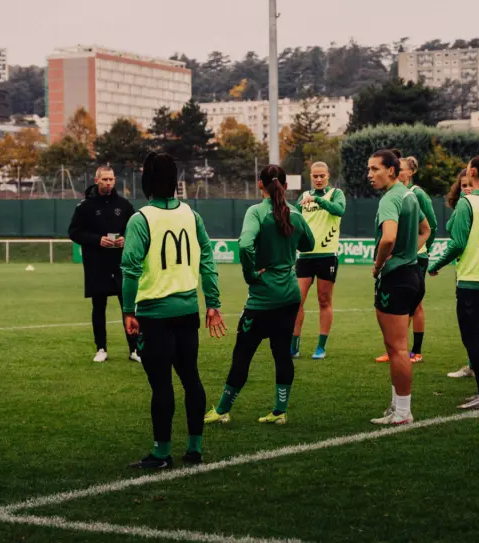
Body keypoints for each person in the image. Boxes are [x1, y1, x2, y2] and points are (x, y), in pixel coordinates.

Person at [121, 152, 226, 469]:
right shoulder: (192, 216)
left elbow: (130, 270)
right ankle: (194, 449)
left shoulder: (141, 219)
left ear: (148, 180)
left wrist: (128, 311)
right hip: (187, 312)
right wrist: (213, 303)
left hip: (154, 315)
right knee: (191, 378)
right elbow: (207, 260)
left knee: (162, 386)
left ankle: (161, 453)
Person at [206, 165, 314, 425]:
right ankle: (279, 412)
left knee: (243, 354)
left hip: (262, 298)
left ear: (260, 185)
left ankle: (222, 410)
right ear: (285, 186)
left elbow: (244, 245)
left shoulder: (256, 212)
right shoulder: (295, 214)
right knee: (282, 354)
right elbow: (309, 244)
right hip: (289, 296)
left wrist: (251, 274)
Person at [429, 156, 479, 410]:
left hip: (471, 281)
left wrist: (435, 264)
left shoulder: (468, 203)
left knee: (473, 338)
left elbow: (457, 242)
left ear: (472, 172)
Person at [367, 149, 431, 425]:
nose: (370, 175)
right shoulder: (409, 195)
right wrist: (410, 254)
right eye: (369, 169)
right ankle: (397, 407)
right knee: (396, 348)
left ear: (391, 170)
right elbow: (426, 229)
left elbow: (388, 238)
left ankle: (403, 412)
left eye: (375, 169)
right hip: (413, 274)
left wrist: (379, 265)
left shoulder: (390, 199)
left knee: (397, 349)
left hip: (396, 279)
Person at [68, 166, 139, 363]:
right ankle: (101, 349)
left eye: (111, 179)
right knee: (98, 307)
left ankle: (135, 349)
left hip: (122, 264)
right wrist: (97, 240)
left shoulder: (124, 205)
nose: (108, 183)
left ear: (114, 180)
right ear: (96, 180)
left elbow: (135, 229)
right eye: (104, 179)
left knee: (129, 307)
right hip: (96, 265)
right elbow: (74, 232)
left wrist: (126, 238)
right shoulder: (84, 207)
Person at [376, 156, 437, 363]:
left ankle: (415, 350)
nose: (397, 172)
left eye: (401, 169)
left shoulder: (416, 193)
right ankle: (397, 347)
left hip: (414, 257)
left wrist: (420, 249)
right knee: (401, 307)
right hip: (403, 258)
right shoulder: (396, 194)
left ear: (410, 172)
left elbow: (431, 226)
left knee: (415, 305)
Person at [292, 162, 345, 360]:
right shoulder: (303, 196)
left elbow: (339, 210)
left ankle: (321, 347)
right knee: (297, 300)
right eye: (315, 176)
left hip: (327, 255)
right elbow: (294, 220)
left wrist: (317, 200)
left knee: (324, 300)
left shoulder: (336, 194)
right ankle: (294, 345)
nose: (319, 179)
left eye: (322, 175)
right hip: (305, 256)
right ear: (311, 176)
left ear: (328, 175)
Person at [444, 170, 478, 380]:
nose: (467, 189)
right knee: (470, 322)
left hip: (476, 273)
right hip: (464, 270)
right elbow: (450, 227)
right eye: (464, 185)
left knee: (475, 323)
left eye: (470, 185)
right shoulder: (462, 208)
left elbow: (455, 238)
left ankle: (478, 367)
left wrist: (437, 265)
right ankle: (473, 365)